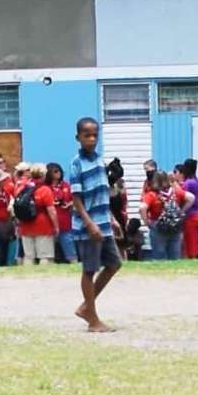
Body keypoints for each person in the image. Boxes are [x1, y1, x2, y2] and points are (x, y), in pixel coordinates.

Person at [68, 118, 122, 332]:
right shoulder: (76, 163)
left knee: (114, 264)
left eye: (94, 135)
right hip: (87, 226)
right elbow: (76, 198)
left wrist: (112, 218)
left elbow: (102, 193)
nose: (91, 139)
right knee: (89, 270)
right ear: (78, 138)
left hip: (103, 223)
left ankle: (85, 307)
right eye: (86, 135)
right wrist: (89, 224)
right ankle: (93, 319)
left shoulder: (99, 160)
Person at [140, 170, 194, 260]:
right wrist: (181, 211)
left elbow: (142, 208)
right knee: (174, 255)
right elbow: (191, 198)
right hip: (174, 226)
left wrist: (146, 222)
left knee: (159, 256)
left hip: (157, 225)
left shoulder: (151, 195)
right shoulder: (175, 192)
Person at [17, 163, 58, 265]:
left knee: (28, 257)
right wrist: (56, 226)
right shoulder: (45, 190)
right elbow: (51, 211)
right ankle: (43, 278)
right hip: (43, 226)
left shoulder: (23, 189)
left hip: (25, 225)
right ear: (44, 175)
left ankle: (28, 278)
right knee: (45, 256)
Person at [47, 162, 77, 264]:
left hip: (65, 224)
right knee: (49, 255)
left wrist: (70, 204)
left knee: (71, 253)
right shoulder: (46, 188)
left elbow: (76, 199)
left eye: (59, 170)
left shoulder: (66, 185)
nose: (58, 173)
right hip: (50, 225)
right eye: (55, 171)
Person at [179, 158, 198, 259]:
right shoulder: (196, 181)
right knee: (195, 239)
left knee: (190, 241)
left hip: (191, 215)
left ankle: (193, 257)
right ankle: (196, 256)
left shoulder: (189, 183)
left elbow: (182, 195)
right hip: (197, 213)